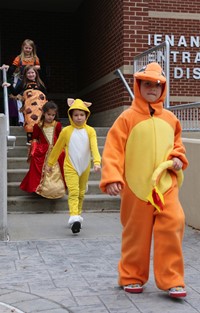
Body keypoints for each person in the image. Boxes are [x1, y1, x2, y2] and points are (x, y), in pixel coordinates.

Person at [99, 62, 189, 298]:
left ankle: (172, 279)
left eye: (157, 85)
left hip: (165, 185)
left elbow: (177, 144)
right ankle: (131, 276)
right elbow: (113, 149)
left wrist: (178, 157)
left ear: (163, 89)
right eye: (147, 84)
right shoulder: (126, 118)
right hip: (136, 188)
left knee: (173, 223)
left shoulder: (171, 119)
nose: (152, 88)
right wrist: (111, 177)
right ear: (138, 86)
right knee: (135, 233)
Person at [46, 98, 101, 234]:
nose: (79, 118)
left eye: (82, 115)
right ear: (71, 116)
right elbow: (57, 148)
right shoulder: (66, 131)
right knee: (74, 192)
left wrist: (97, 162)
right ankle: (74, 216)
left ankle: (77, 216)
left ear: (86, 115)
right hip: (70, 166)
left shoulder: (90, 131)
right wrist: (50, 163)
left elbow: (94, 147)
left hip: (85, 166)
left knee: (81, 193)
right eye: (76, 115)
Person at [20, 101, 66, 199]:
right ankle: (40, 189)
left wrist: (62, 148)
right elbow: (35, 138)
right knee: (39, 168)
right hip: (43, 150)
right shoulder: (38, 125)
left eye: (53, 115)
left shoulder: (57, 125)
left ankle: (56, 190)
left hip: (55, 151)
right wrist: (34, 147)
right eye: (49, 114)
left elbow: (60, 138)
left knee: (57, 171)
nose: (51, 117)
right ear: (44, 113)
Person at [2, 65, 47, 144]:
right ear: (26, 75)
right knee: (29, 121)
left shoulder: (40, 84)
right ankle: (29, 140)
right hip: (29, 107)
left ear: (36, 73)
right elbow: (15, 92)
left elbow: (44, 95)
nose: (31, 74)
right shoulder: (23, 83)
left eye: (32, 72)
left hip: (39, 108)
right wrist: (9, 86)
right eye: (28, 73)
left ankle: (38, 138)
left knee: (39, 121)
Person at [1, 39, 40, 126]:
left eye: (30, 48)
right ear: (23, 48)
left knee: (32, 100)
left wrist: (31, 67)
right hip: (22, 80)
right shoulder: (19, 58)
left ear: (32, 49)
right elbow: (12, 69)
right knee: (18, 98)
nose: (28, 50)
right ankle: (22, 121)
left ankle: (32, 120)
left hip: (31, 80)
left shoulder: (35, 58)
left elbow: (38, 66)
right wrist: (7, 68)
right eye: (26, 48)